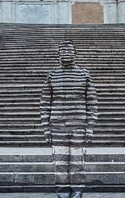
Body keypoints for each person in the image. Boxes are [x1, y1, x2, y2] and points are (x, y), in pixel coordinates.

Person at [40, 40, 98, 198]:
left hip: (78, 126)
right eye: (63, 50)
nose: (66, 53)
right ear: (58, 54)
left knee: (77, 163)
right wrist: (46, 128)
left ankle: (78, 191)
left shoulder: (84, 74)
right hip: (57, 127)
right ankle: (63, 192)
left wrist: (90, 127)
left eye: (69, 50)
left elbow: (92, 103)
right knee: (60, 163)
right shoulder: (52, 75)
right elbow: (45, 103)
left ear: (75, 54)